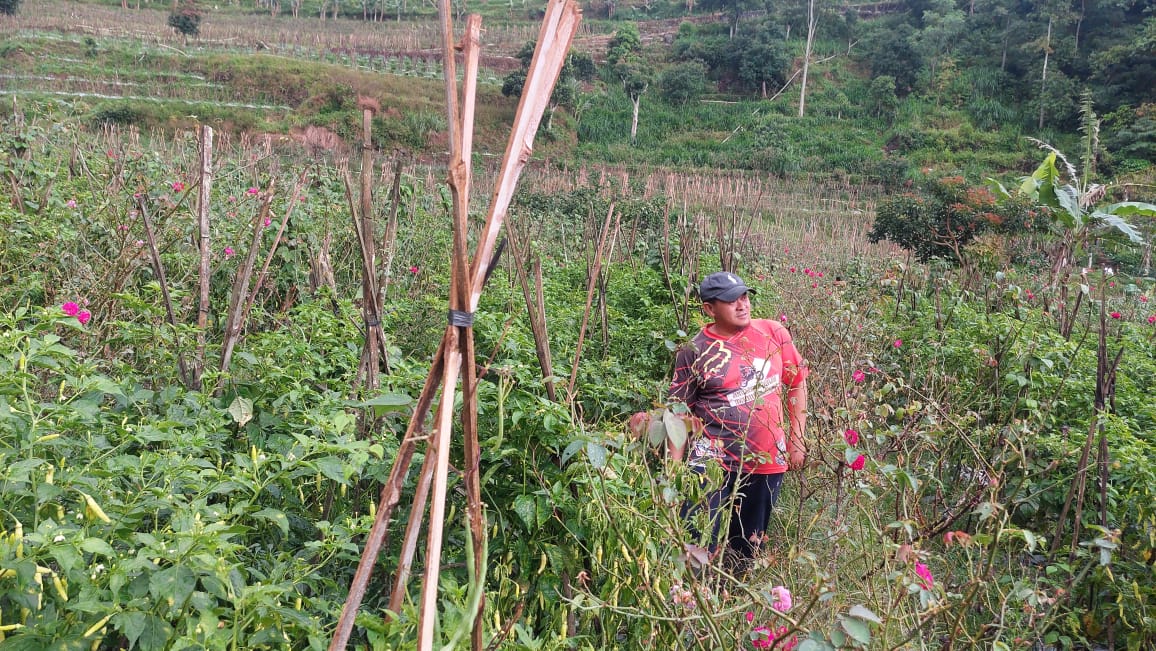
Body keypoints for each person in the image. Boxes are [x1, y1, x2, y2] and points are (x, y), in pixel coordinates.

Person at [668, 271, 809, 561]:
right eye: (731, 300)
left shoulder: (773, 333)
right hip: (711, 462)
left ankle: (735, 595)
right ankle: (693, 597)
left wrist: (798, 438)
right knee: (696, 541)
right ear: (709, 308)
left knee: (748, 545)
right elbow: (678, 414)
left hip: (766, 460)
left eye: (744, 296)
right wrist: (674, 471)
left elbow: (797, 383)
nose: (742, 304)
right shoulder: (693, 351)